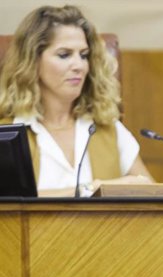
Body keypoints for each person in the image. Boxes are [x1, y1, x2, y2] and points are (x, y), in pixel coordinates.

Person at [0, 5, 153, 197]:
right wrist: (91, 188)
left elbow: (152, 196)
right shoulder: (7, 135)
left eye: (84, 55)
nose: (79, 65)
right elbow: (9, 206)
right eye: (64, 55)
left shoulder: (107, 128)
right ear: (33, 61)